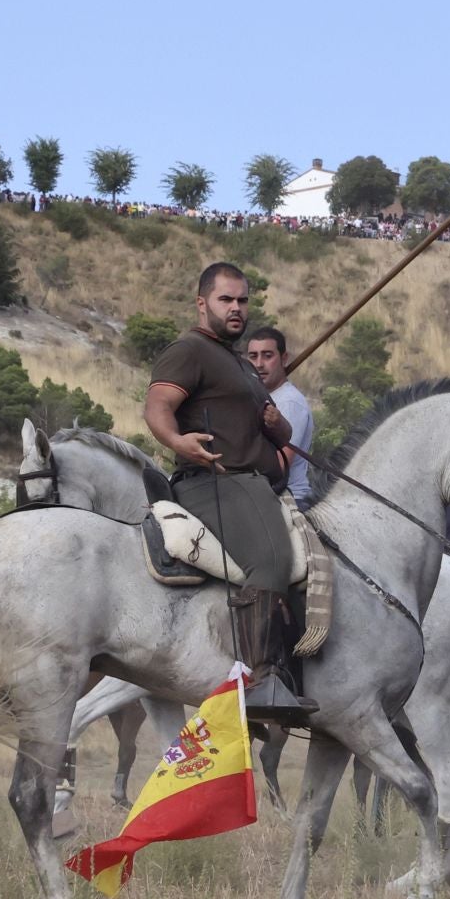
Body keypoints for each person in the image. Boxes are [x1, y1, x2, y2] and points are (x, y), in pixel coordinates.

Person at [143, 261, 313, 722]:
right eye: (226, 300)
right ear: (203, 304)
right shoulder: (189, 351)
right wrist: (177, 441)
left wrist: (279, 425)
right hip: (215, 481)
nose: (236, 308)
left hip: (256, 482)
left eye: (242, 300)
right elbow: (158, 405)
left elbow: (282, 437)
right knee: (273, 560)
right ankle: (259, 680)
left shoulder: (239, 362)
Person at [245, 326, 315, 511]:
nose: (259, 364)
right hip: (261, 494)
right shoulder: (256, 397)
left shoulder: (289, 402)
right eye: (253, 356)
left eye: (268, 356)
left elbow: (280, 465)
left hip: (288, 499)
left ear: (284, 359)